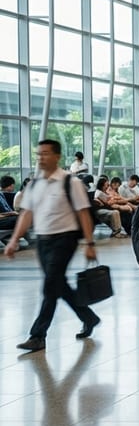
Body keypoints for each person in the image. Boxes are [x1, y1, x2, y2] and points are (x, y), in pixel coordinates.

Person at [5, 139, 102, 352]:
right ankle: (89, 317)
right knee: (59, 285)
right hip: (42, 240)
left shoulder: (70, 182)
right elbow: (26, 214)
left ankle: (38, 335)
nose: (41, 157)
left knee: (50, 285)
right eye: (39, 153)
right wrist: (13, 240)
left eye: (46, 153)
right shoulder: (34, 183)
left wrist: (89, 242)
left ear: (57, 156)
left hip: (64, 239)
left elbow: (83, 213)